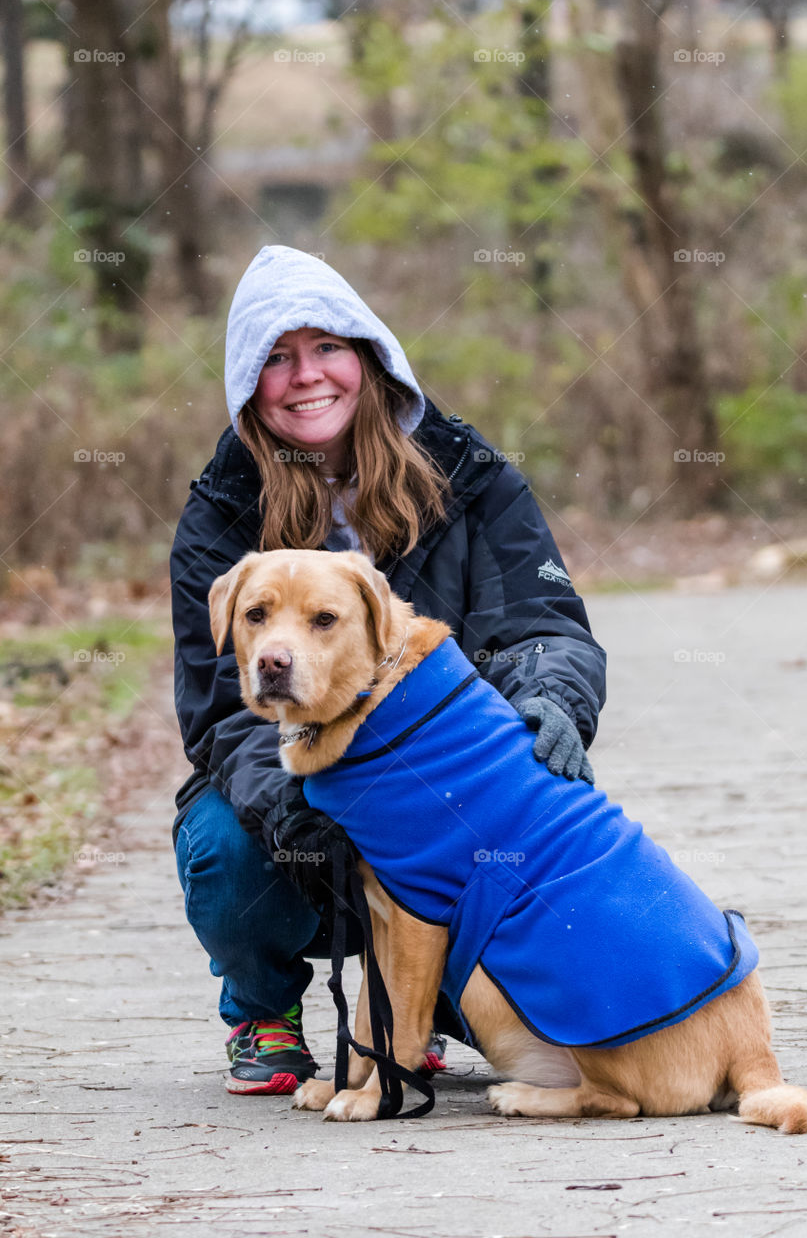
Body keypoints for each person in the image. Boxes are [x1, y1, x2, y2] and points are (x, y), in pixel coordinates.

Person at [170, 245, 607, 1095]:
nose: (307, 377)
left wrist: (551, 698)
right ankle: (264, 1010)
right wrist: (305, 811)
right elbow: (223, 712)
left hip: (446, 779)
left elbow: (544, 624)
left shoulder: (472, 480)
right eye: (278, 358)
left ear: (370, 358)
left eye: (328, 348)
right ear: (248, 384)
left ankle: (426, 1015)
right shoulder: (221, 511)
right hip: (294, 787)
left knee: (517, 842)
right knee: (223, 845)